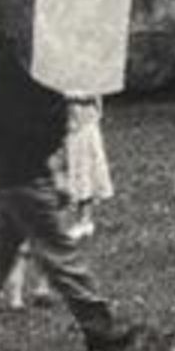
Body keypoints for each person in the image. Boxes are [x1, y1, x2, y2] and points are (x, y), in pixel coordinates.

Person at [0, 20, 136, 351]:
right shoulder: (18, 77)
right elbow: (32, 129)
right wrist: (51, 141)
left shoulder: (5, 76)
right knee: (57, 249)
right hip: (22, 175)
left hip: (11, 175)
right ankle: (99, 327)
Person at [61, 94, 113, 241]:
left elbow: (92, 94)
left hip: (83, 123)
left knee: (83, 169)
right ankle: (68, 218)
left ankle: (84, 219)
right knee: (67, 170)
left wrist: (67, 94)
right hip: (66, 122)